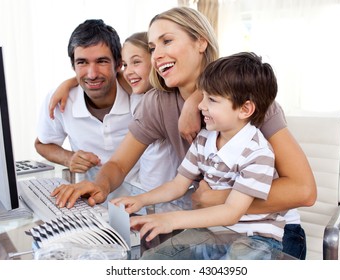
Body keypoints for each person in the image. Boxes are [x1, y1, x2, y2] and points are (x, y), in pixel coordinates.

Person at [50, 7, 316, 259]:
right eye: (152, 48)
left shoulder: (246, 98)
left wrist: (215, 200)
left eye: (167, 41)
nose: (156, 56)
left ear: (201, 43)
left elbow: (303, 190)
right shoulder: (159, 102)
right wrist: (100, 184)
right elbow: (119, 162)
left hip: (269, 233)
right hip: (208, 228)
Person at [111, 52, 285, 260]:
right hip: (212, 232)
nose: (200, 106)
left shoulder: (258, 153)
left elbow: (231, 212)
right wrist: (139, 200)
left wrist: (170, 220)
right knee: (154, 259)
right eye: (202, 97)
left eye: (211, 100)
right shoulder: (204, 139)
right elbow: (177, 185)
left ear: (245, 109)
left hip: (255, 239)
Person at [35, 19, 139, 183]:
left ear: (119, 64)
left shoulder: (138, 95)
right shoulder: (60, 99)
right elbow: (42, 143)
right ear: (73, 66)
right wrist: (69, 159)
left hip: (143, 199)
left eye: (101, 61)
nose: (92, 74)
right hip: (91, 201)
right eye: (82, 62)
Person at [121, 32, 178, 192]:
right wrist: (69, 84)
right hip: (144, 191)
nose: (128, 71)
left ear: (155, 61)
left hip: (170, 197)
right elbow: (110, 77)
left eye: (136, 62)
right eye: (125, 65)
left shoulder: (169, 97)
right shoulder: (136, 92)